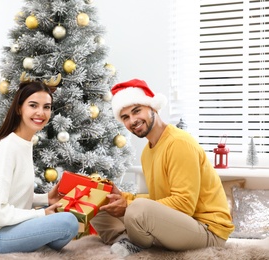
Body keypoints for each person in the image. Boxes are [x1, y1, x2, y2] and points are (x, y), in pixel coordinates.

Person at [90, 79, 235, 257]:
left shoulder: (178, 143)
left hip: (207, 230)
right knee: (99, 200)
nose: (133, 120)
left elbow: (184, 205)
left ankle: (137, 241)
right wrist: (122, 197)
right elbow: (162, 199)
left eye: (137, 111)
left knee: (137, 209)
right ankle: (127, 238)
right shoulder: (147, 152)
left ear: (153, 108)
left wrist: (128, 205)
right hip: (179, 223)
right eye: (125, 117)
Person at [0, 81, 79, 254]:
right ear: (19, 108)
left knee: (63, 226)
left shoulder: (23, 143)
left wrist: (46, 199)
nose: (41, 112)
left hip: (0, 230)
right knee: (67, 223)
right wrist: (41, 214)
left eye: (46, 107)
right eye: (33, 105)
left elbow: (11, 193)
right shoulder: (8, 147)